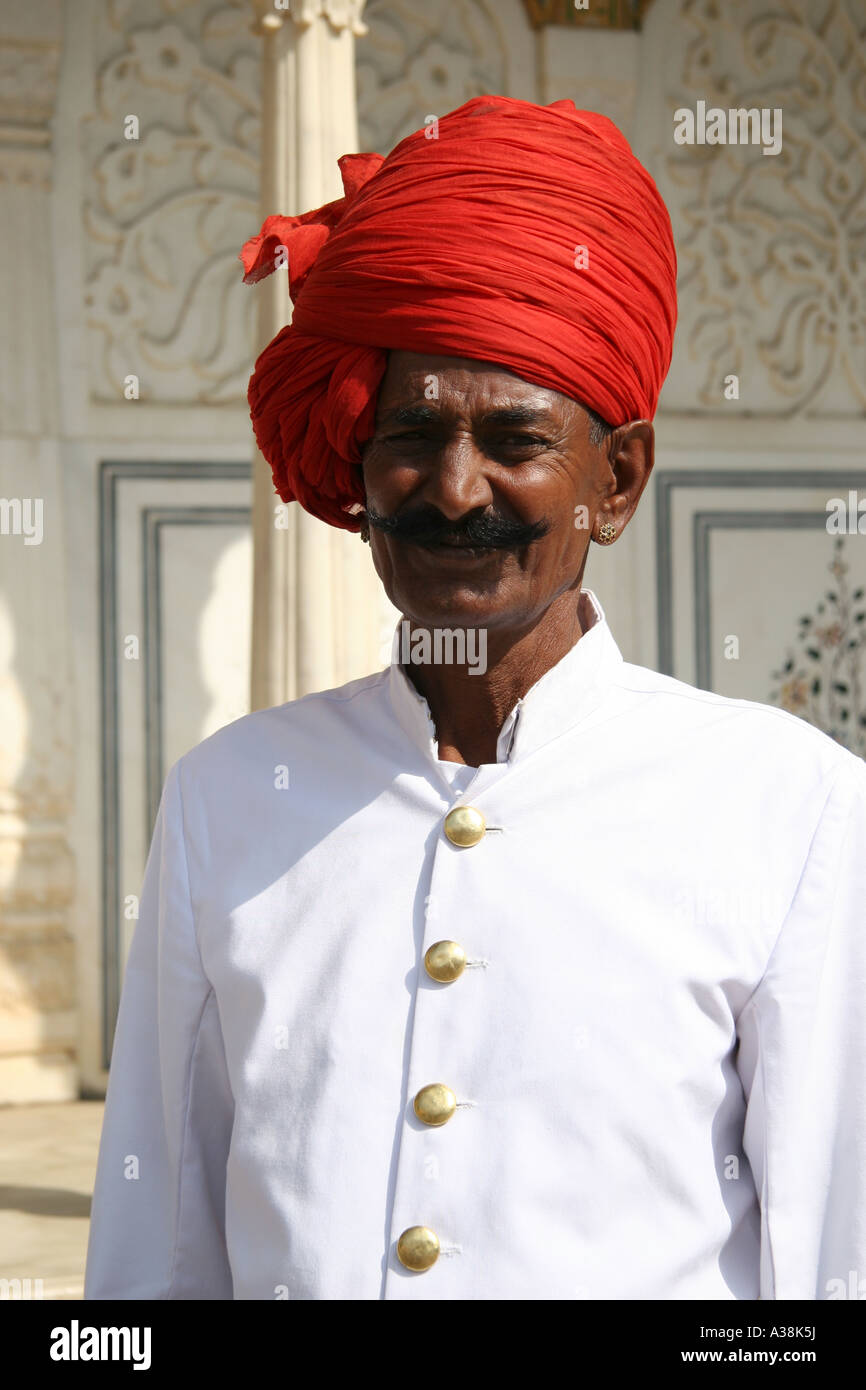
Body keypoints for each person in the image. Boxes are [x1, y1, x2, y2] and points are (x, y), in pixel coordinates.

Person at [84, 95, 866, 1301]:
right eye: (412, 432)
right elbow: (157, 1252)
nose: (453, 489)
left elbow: (830, 1263)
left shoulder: (785, 809)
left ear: (617, 480)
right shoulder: (227, 800)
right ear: (355, 463)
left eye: (514, 438)